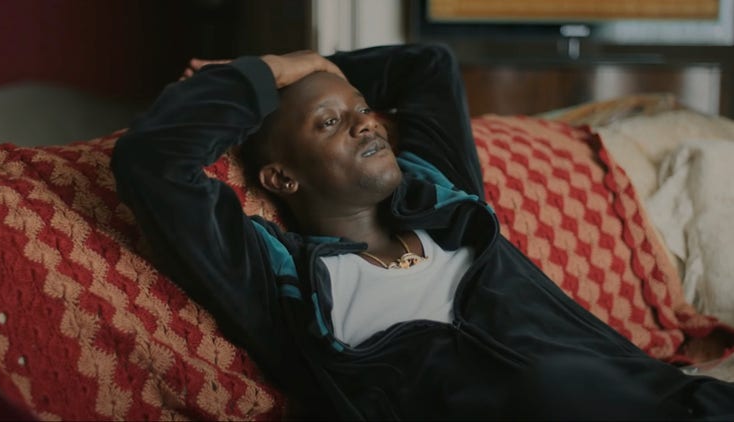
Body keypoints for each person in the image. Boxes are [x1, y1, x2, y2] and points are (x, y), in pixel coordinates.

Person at [111, 44, 734, 420]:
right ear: (281, 178)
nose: (364, 124)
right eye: (329, 122)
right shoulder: (283, 285)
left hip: (668, 403)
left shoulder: (441, 195)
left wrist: (318, 66)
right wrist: (264, 72)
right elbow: (152, 160)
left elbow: (427, 68)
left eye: (362, 109)